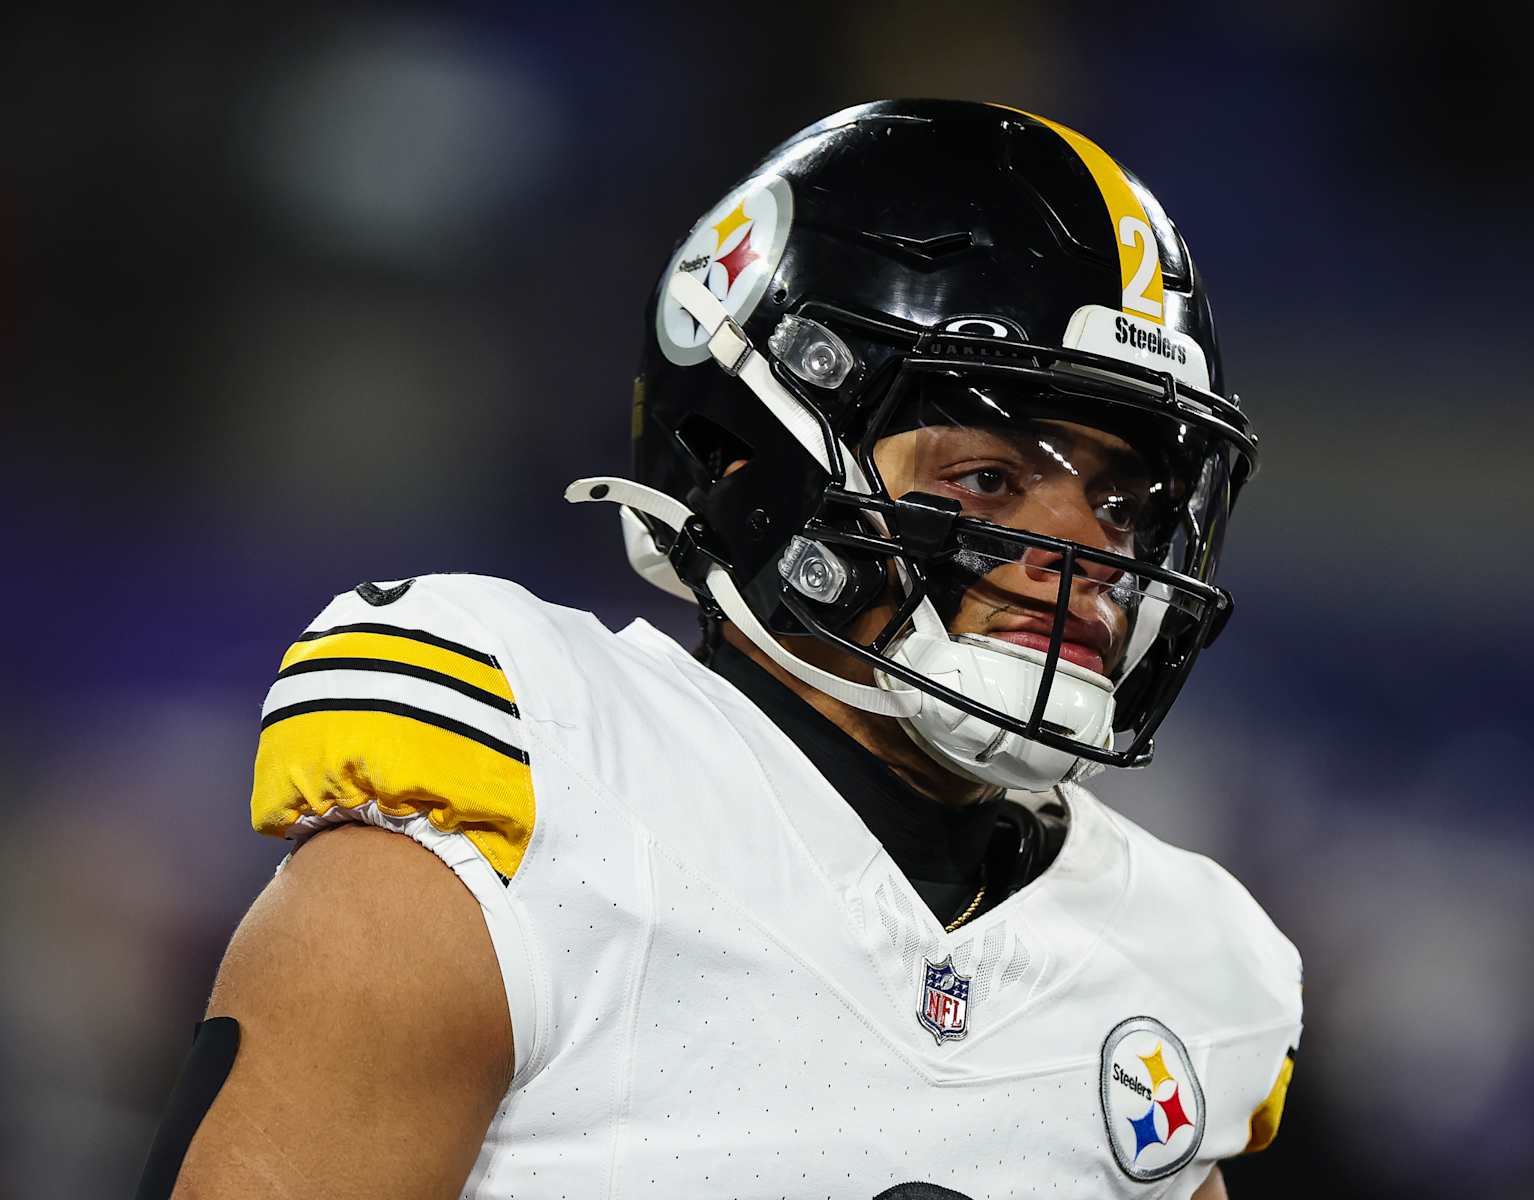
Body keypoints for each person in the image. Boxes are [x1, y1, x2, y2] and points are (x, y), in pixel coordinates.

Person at [139, 99, 1302, 1200]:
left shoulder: (1174, 960)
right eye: (989, 478)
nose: (1087, 550)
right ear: (753, 464)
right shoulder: (534, 799)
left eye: (1124, 502)